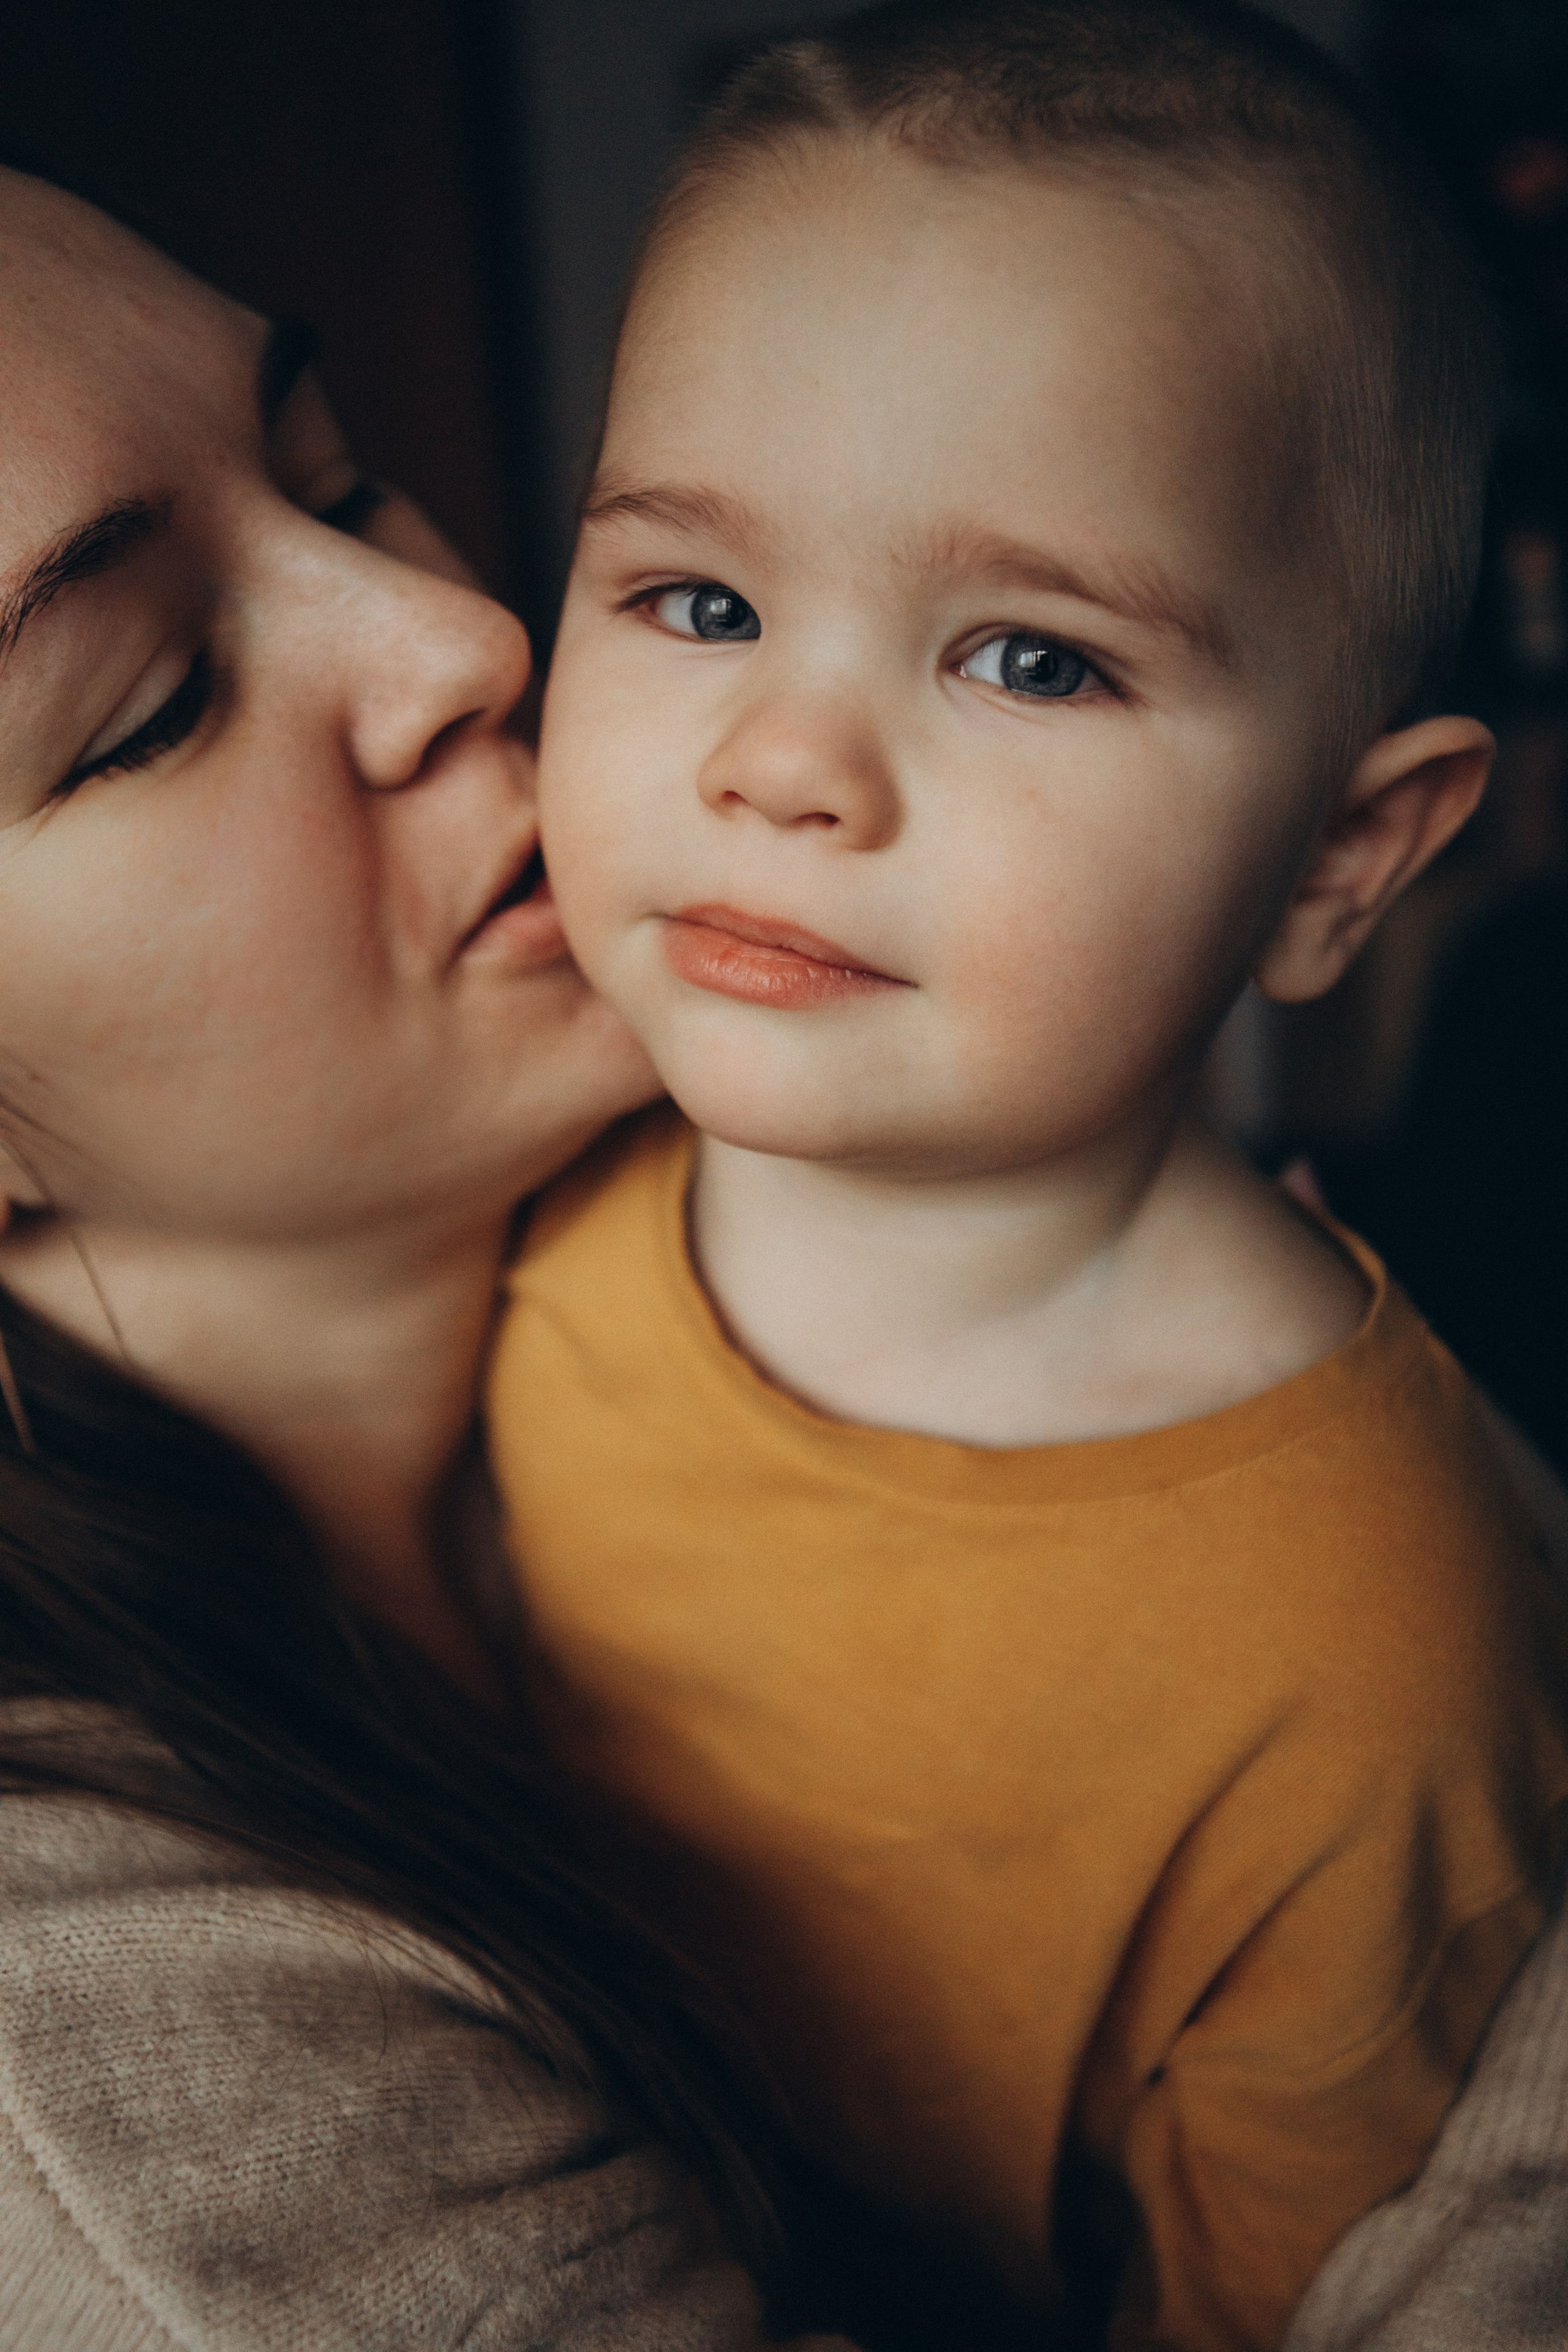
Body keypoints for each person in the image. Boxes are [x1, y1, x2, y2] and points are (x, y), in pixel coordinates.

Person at [486, 4, 1568, 2347]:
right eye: (697, 603)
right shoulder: (494, 1166)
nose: (785, 759)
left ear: (1341, 857)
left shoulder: (1368, 1634)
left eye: (1030, 661)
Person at [0, 154, 855, 2351]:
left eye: (338, 480)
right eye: (153, 703)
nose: (465, 641)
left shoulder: (793, 1290)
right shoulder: (100, 2048)